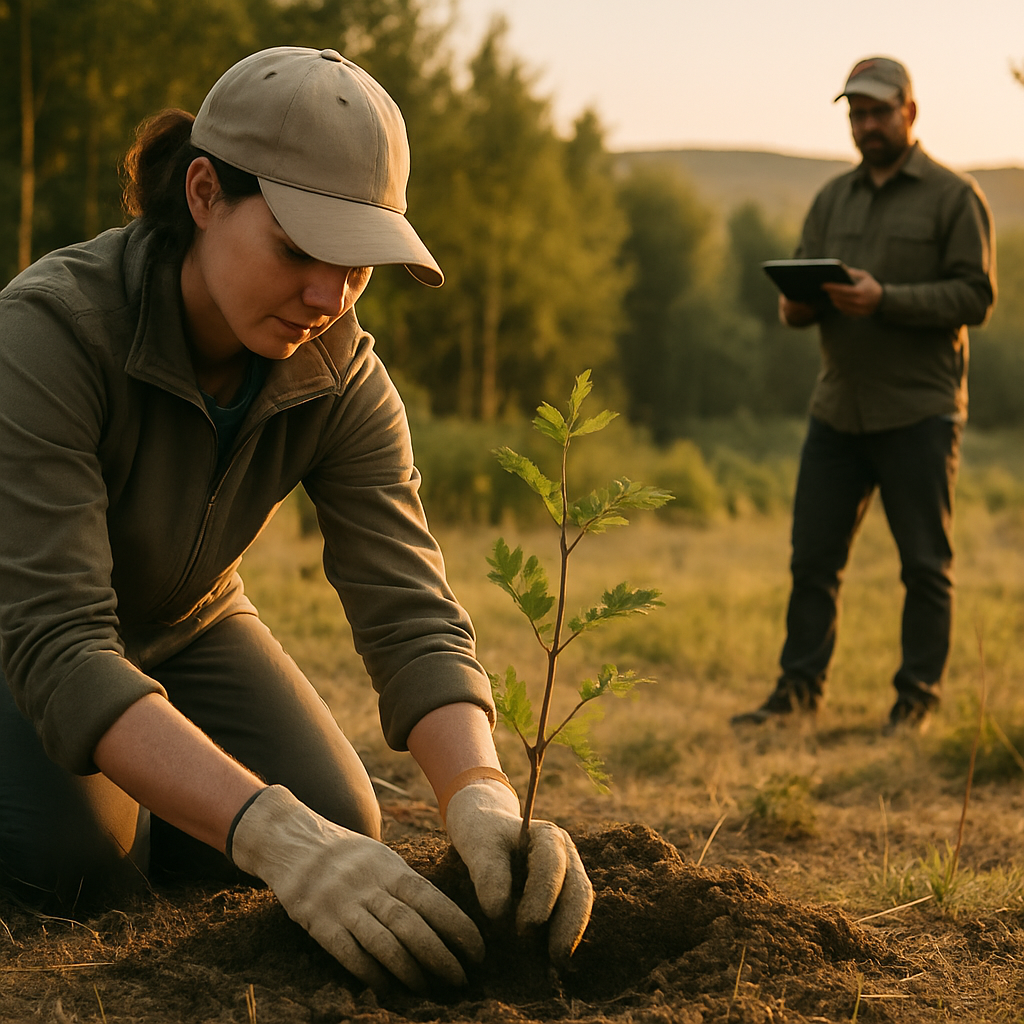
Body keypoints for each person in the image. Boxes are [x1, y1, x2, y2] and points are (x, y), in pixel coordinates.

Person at [0, 46, 592, 992]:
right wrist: (268, 835)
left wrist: (479, 794)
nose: (330, 298)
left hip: (187, 620)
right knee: (79, 872)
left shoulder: (342, 375)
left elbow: (409, 612)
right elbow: (62, 642)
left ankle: (147, 792)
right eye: (296, 251)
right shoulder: (49, 334)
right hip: (24, 631)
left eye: (357, 267)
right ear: (203, 193)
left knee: (343, 818)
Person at [732, 57, 996, 733]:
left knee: (925, 566)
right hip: (837, 408)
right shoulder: (832, 200)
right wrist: (799, 307)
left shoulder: (954, 197)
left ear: (910, 111)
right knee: (813, 561)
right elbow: (802, 298)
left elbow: (976, 295)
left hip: (919, 410)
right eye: (856, 112)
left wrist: (886, 299)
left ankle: (916, 704)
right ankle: (796, 694)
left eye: (879, 111)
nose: (867, 123)